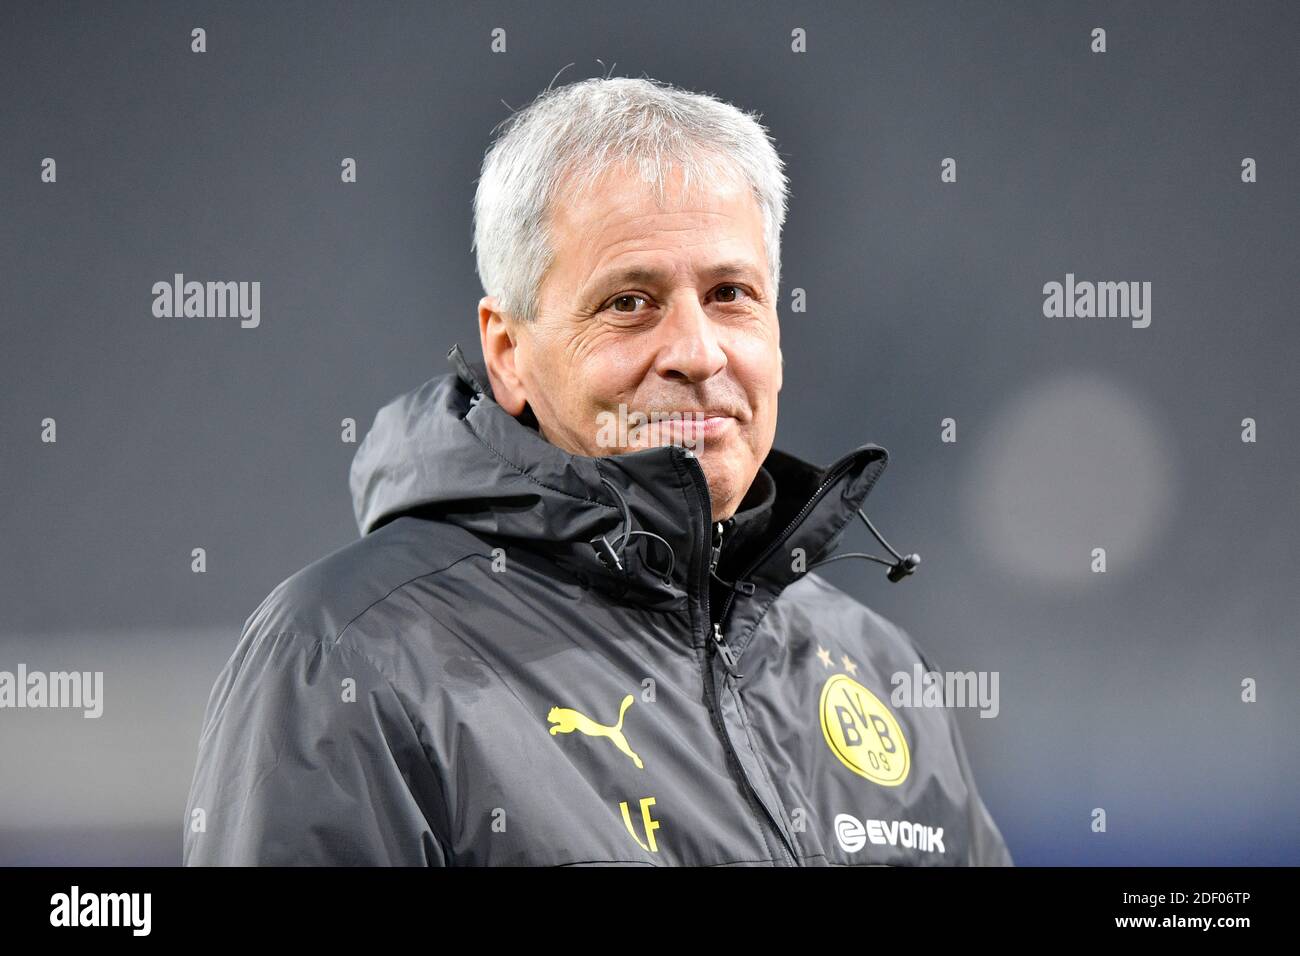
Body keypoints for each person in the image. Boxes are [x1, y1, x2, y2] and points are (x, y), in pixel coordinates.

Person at [183, 75, 1012, 866]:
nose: (696, 351)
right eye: (629, 302)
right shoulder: (345, 658)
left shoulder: (875, 663)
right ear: (508, 352)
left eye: (730, 294)